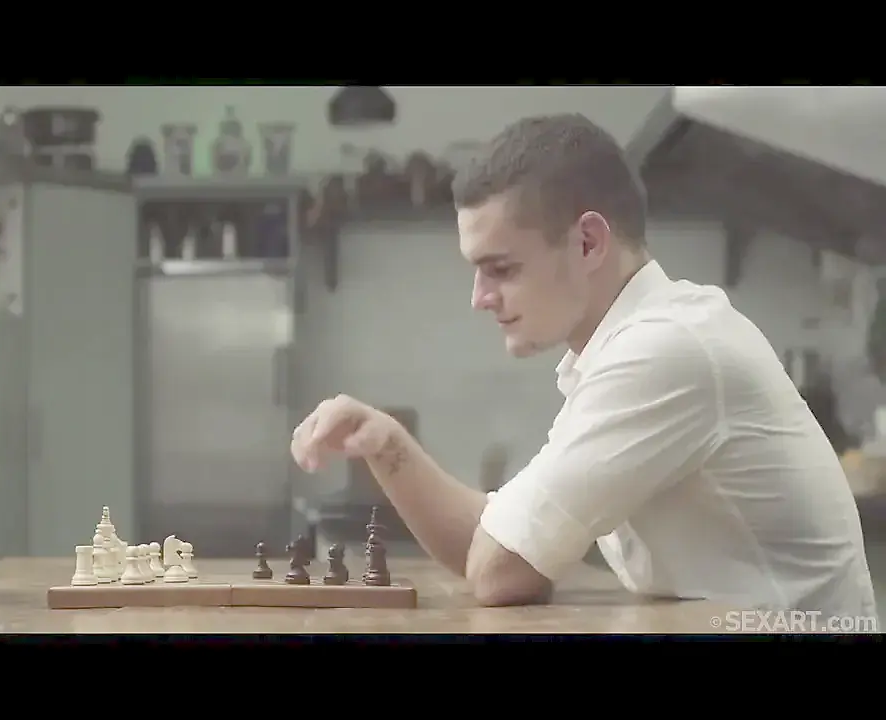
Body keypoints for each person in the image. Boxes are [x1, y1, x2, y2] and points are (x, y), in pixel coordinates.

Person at [290, 113, 878, 620]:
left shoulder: (665, 351)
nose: (479, 297)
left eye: (501, 268)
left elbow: (500, 570)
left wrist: (503, 555)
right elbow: (497, 543)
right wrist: (387, 445)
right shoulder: (632, 345)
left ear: (589, 243)